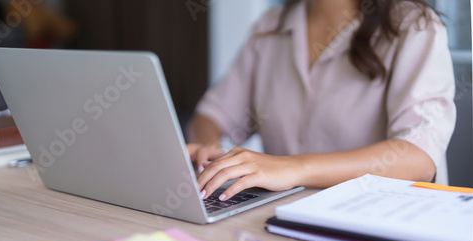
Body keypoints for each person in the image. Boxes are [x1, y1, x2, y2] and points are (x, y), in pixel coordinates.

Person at [187, 0, 456, 202]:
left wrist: (293, 168)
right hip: (279, 218)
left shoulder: (413, 27)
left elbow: (417, 156)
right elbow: (212, 116)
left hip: (379, 224)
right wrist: (209, 148)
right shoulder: (271, 26)